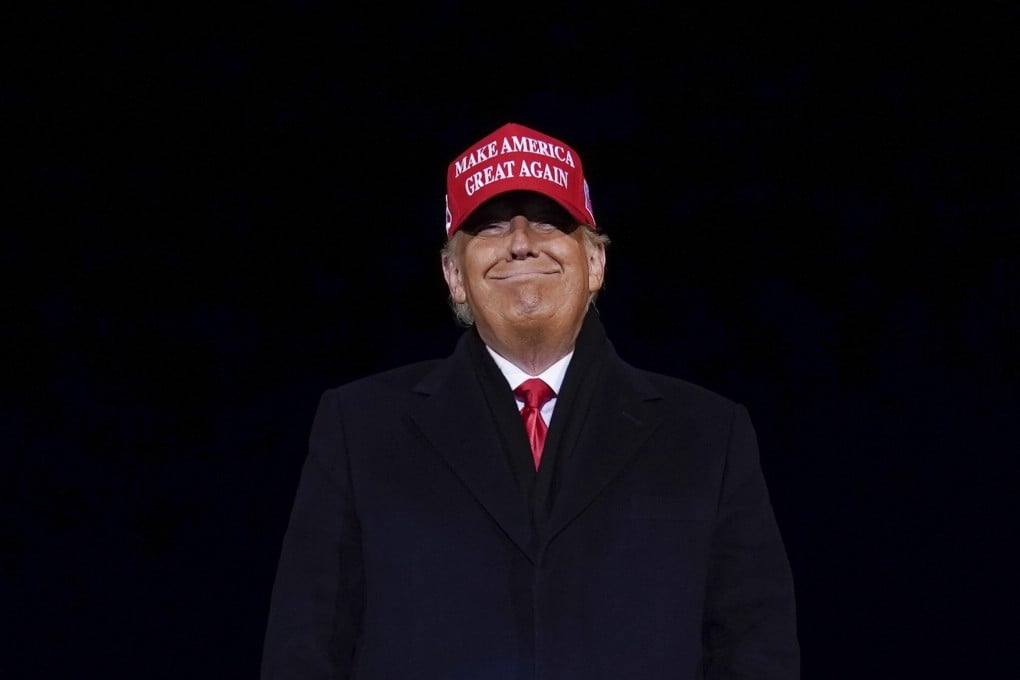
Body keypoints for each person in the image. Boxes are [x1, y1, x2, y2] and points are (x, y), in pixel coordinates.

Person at [261, 122, 800, 679]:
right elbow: (305, 651)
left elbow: (756, 652)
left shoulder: (707, 435)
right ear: (453, 275)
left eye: (548, 221)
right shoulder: (360, 429)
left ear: (595, 264)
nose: (521, 240)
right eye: (491, 226)